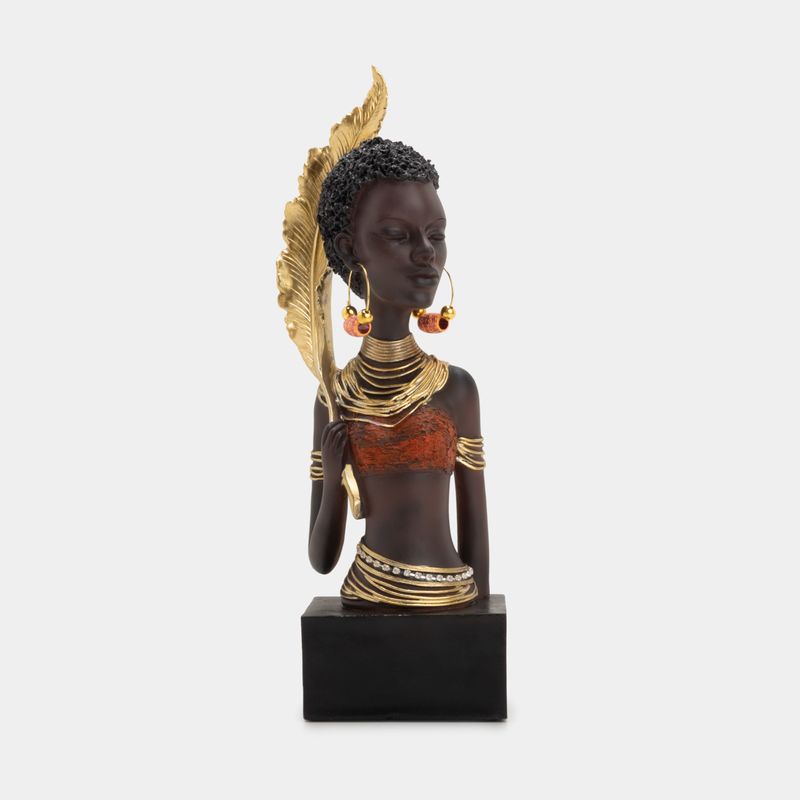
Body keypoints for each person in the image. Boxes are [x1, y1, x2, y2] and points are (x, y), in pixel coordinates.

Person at [306, 137, 490, 611]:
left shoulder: (456, 389)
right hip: (366, 592)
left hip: (454, 597)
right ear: (350, 249)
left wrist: (479, 620)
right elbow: (321, 559)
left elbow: (476, 530)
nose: (427, 253)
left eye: (436, 234)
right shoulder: (335, 396)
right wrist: (333, 476)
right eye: (398, 235)